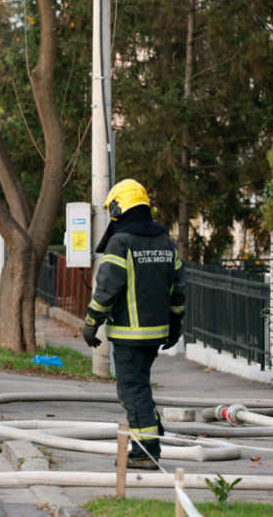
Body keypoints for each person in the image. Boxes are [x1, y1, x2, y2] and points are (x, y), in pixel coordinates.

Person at [82, 179, 186, 471]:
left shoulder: (121, 242)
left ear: (118, 208)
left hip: (129, 336)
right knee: (140, 387)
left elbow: (107, 288)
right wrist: (175, 327)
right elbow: (178, 292)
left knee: (132, 390)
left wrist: (91, 324)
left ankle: (146, 452)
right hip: (156, 335)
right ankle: (149, 436)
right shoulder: (166, 242)